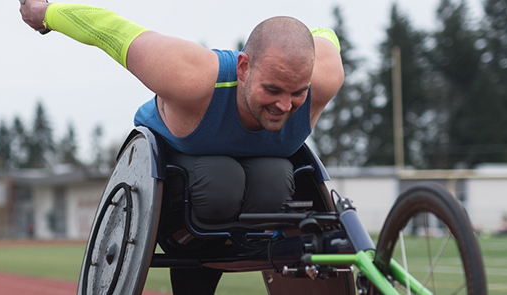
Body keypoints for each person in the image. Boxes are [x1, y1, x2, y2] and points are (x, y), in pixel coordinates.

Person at [18, 2, 344, 294]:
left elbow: (323, 33)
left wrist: (296, 41)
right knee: (221, 178)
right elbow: (109, 29)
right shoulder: (191, 76)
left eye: (297, 92)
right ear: (244, 69)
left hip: (258, 186)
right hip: (180, 179)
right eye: (272, 89)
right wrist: (44, 13)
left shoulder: (324, 78)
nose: (285, 105)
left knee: (275, 176)